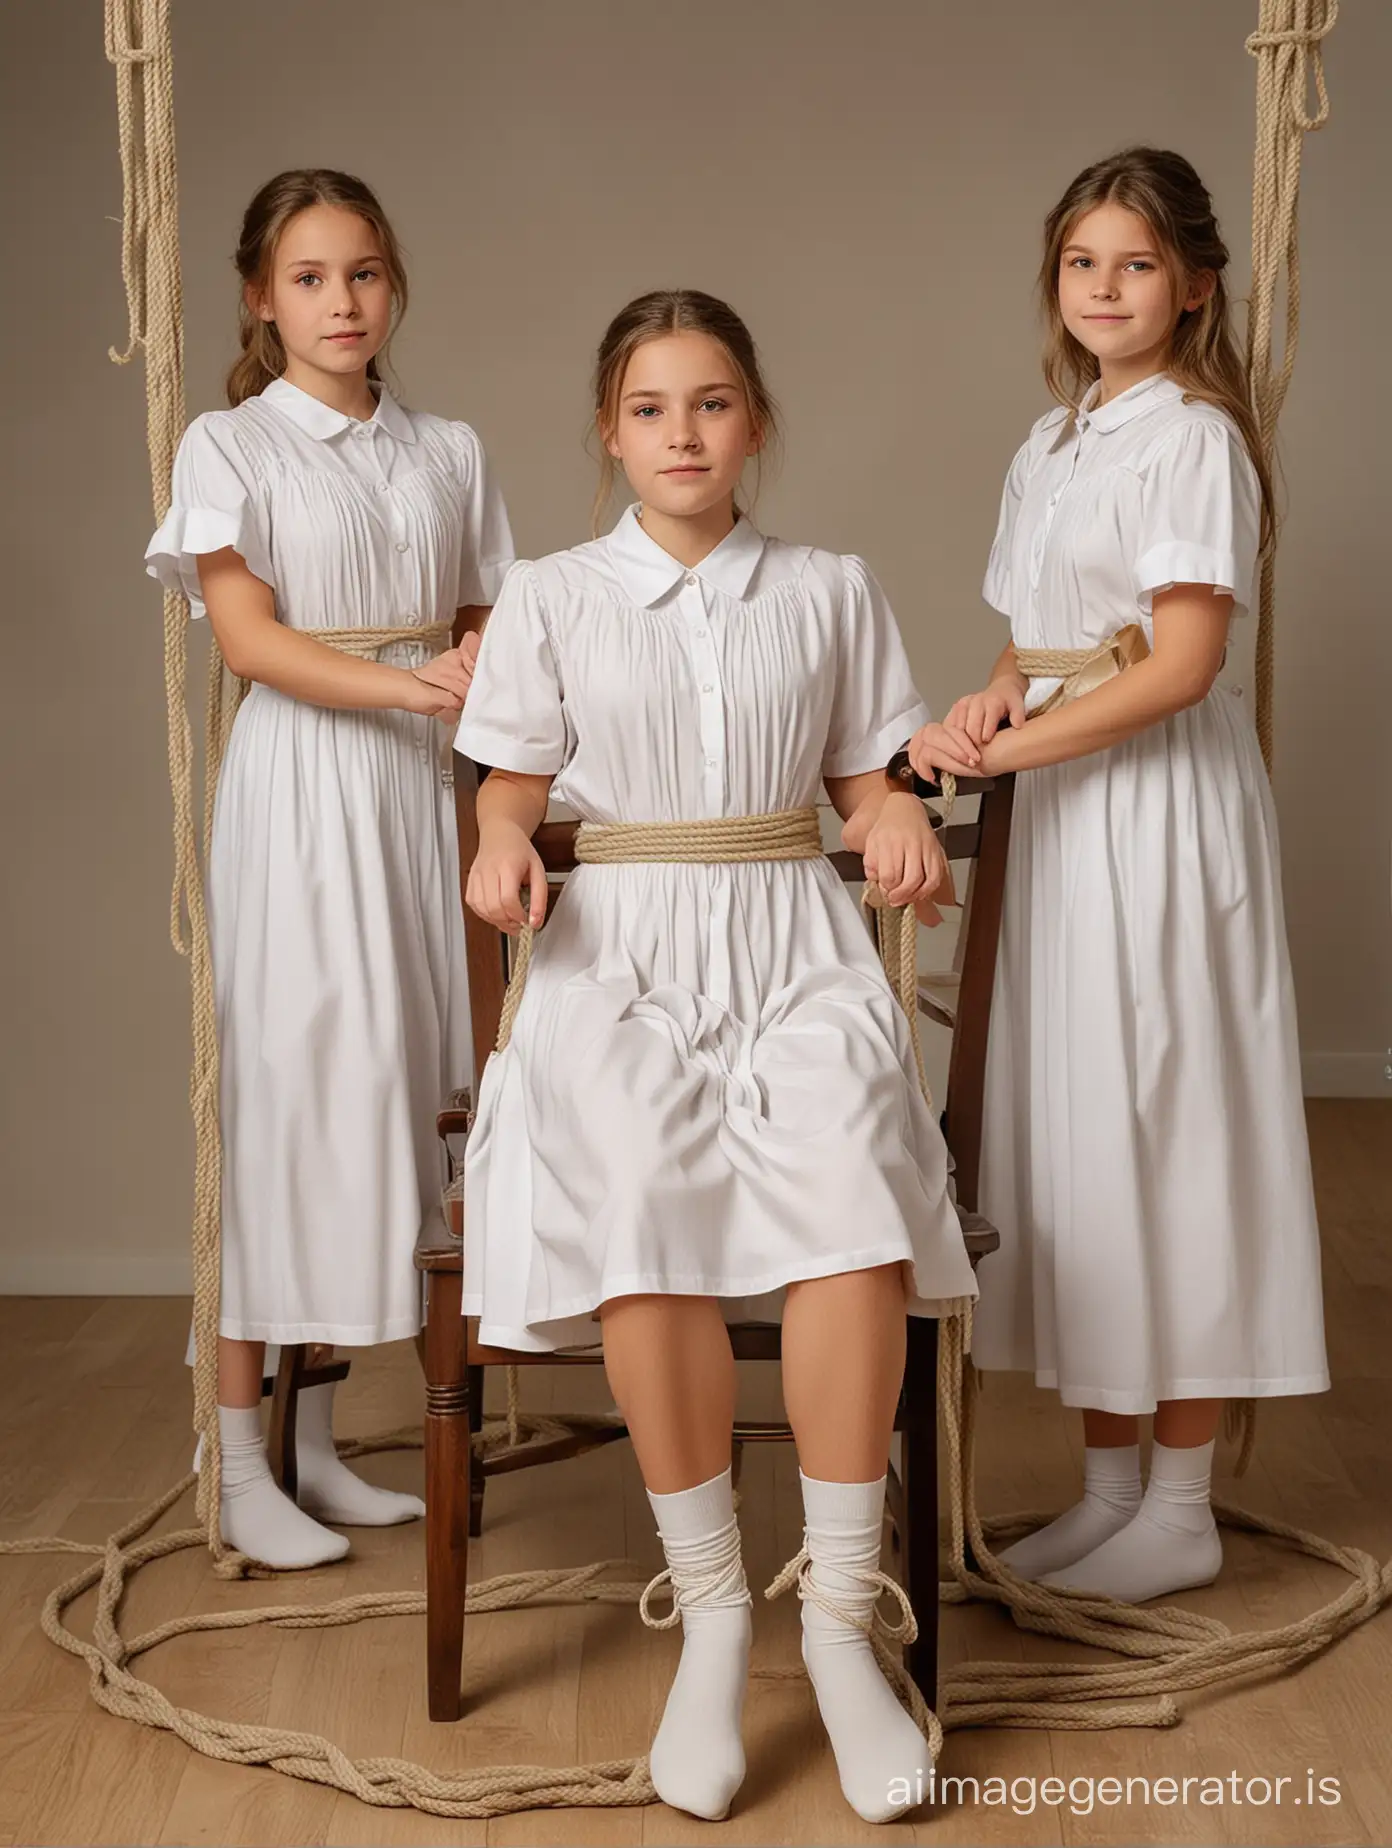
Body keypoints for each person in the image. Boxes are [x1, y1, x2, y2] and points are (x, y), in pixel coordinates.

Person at [454, 290, 976, 1824]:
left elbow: (870, 781)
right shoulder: (550, 592)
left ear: (755, 421)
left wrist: (887, 818)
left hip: (791, 945)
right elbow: (508, 794)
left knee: (856, 1209)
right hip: (611, 953)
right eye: (650, 407)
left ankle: (833, 1626)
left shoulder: (827, 586)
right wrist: (496, 852)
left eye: (713, 403)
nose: (683, 434)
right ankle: (716, 1616)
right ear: (610, 429)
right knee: (642, 1213)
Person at [910, 147, 1329, 1605]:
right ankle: (1105, 1491)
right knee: (1083, 1128)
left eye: (1136, 265)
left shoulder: (1193, 435)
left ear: (1196, 284)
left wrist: (1014, 756)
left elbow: (1183, 663)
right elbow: (1035, 645)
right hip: (1068, 814)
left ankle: (1183, 1498)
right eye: (1083, 263)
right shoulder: (1054, 440)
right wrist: (982, 713)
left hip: (1158, 811)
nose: (1105, 288)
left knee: (1173, 1119)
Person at [146, 169, 513, 1569]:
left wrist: (472, 681)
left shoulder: (448, 448)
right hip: (305, 791)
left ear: (392, 283)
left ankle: (313, 1438)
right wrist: (426, 691)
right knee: (293, 1094)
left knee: (409, 1087)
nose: (340, 301)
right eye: (308, 278)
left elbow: (488, 611)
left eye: (361, 273)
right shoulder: (228, 445)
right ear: (261, 296)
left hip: (423, 797)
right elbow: (251, 642)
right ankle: (235, 1453)